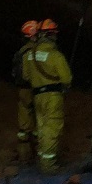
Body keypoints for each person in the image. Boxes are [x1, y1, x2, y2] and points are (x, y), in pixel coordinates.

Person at [22, 18, 72, 174]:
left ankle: (41, 159)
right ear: (51, 34)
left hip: (37, 96)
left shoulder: (28, 55)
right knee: (52, 129)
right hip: (52, 96)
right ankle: (48, 166)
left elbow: (25, 76)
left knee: (42, 128)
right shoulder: (55, 55)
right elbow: (67, 78)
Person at [13, 20, 39, 163]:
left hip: (22, 90)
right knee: (37, 121)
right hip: (32, 89)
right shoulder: (34, 51)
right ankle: (35, 155)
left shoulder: (21, 51)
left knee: (23, 124)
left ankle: (23, 157)